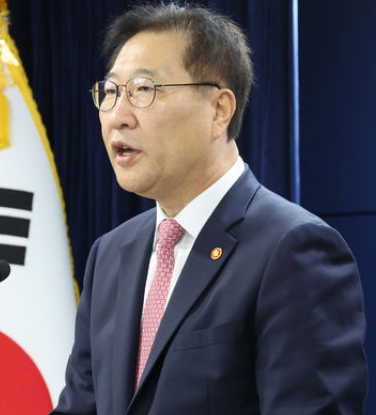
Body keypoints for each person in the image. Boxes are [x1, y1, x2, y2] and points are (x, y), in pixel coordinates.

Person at [52, 3, 367, 415]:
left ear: (219, 109)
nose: (118, 117)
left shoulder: (293, 249)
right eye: (110, 92)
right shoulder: (111, 253)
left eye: (144, 90)